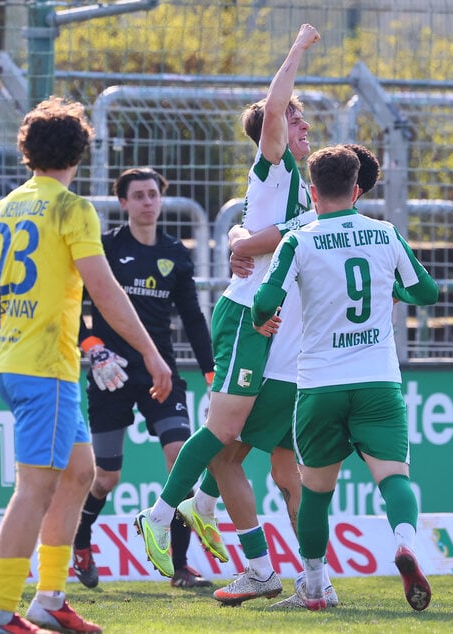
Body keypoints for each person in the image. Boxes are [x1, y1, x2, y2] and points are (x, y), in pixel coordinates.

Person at [0, 96, 172, 634]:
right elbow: (104, 291)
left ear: (28, 151)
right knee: (35, 487)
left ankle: (49, 599)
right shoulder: (71, 208)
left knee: (80, 473)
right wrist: (152, 352)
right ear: (80, 149)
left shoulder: (10, 205)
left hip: (17, 361)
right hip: (44, 368)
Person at [133, 23, 320, 604]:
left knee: (243, 454)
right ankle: (163, 515)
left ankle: (241, 542)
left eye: (302, 118)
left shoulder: (307, 190)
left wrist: (243, 238)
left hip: (281, 327)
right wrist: (296, 50)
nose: (304, 125)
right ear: (273, 129)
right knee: (225, 432)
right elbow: (272, 123)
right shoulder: (277, 165)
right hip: (246, 317)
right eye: (295, 118)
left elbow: (265, 237)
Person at [251, 144, 439, 612]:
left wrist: (262, 320)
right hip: (377, 379)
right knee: (394, 478)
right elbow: (427, 291)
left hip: (319, 384)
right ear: (356, 190)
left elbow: (264, 300)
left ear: (313, 192)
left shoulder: (300, 239)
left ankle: (314, 586)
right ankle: (405, 544)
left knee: (314, 490)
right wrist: (388, 290)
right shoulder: (384, 233)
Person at [209, 142, 382, 609]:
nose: (301, 130)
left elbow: (266, 287)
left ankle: (260, 569)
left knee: (222, 456)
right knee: (290, 475)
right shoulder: (372, 234)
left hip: (283, 369)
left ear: (320, 187)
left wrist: (239, 243)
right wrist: (239, 238)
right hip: (325, 372)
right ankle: (317, 582)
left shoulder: (309, 228)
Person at [71, 167, 216, 590]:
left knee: (181, 459)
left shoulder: (176, 252)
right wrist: (92, 346)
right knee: (106, 477)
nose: (148, 202)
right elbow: (72, 310)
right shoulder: (106, 249)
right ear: (123, 203)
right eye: (138, 196)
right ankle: (81, 542)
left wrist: (210, 369)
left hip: (160, 372)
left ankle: (180, 566)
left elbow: (191, 316)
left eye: (153, 195)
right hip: (111, 374)